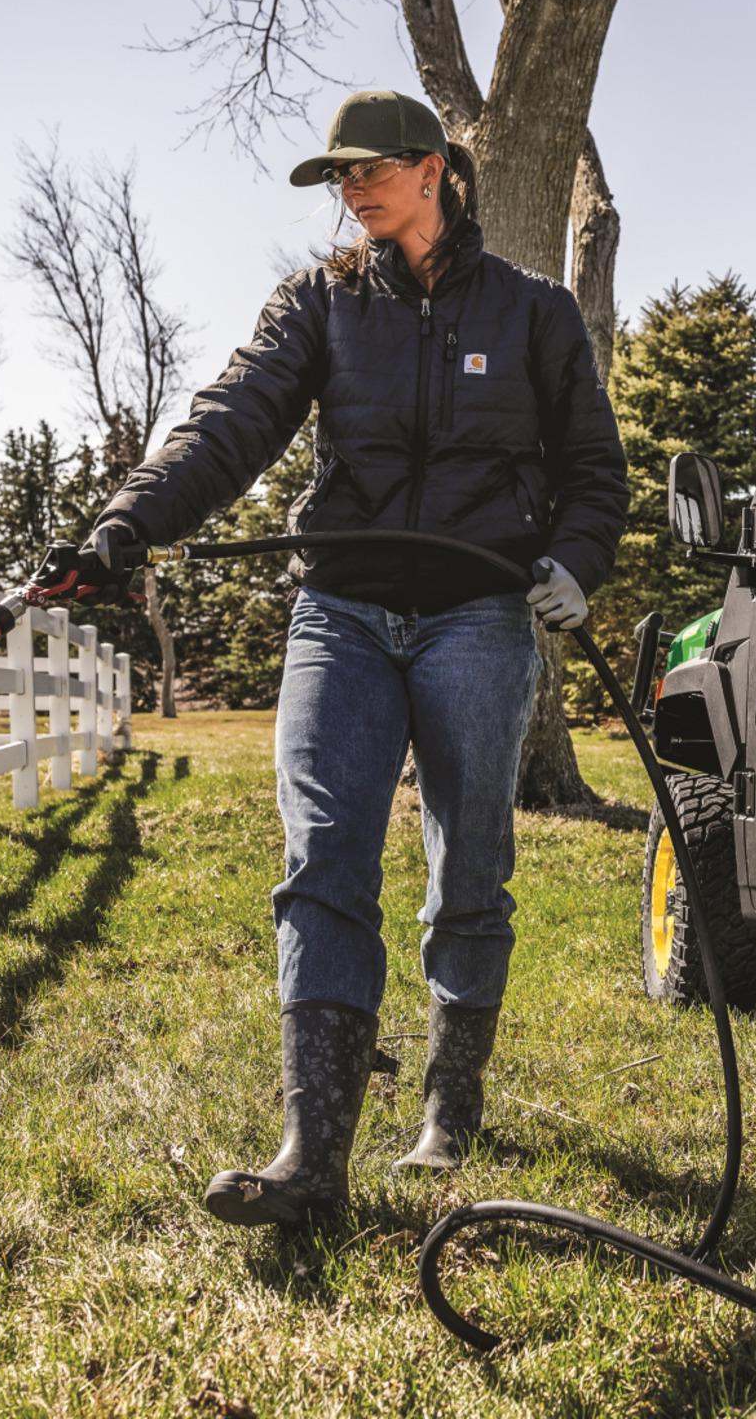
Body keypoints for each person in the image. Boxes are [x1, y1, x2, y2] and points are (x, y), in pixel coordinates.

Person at [73, 89, 628, 1226]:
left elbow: (593, 470)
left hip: (479, 614)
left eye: (370, 168)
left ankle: (447, 1106)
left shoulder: (535, 312)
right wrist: (131, 517)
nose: (352, 190)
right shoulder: (320, 304)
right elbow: (228, 422)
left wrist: (575, 561)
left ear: (436, 170)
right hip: (344, 611)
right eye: (339, 177)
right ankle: (312, 1154)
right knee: (324, 855)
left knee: (467, 865)